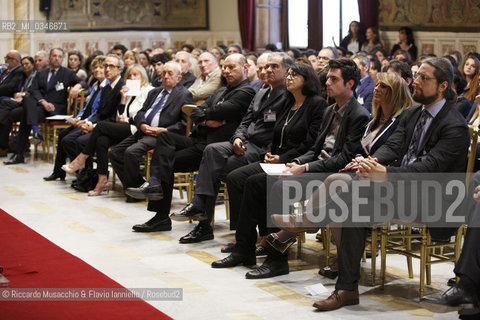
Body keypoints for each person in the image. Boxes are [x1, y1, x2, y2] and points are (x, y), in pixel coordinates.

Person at [273, 57, 469, 311]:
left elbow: (427, 169)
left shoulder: (455, 126)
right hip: (402, 189)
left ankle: (307, 223)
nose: (416, 82)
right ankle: (345, 287)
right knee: (351, 195)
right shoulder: (412, 114)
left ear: (443, 86)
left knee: (352, 196)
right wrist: (370, 162)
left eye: (424, 78)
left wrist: (385, 173)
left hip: (433, 199)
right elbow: (392, 146)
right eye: (417, 75)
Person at [267, 72, 414, 276]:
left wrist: (365, 162)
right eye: (377, 85)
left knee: (336, 182)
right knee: (337, 189)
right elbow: (361, 150)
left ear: (396, 92)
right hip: (362, 173)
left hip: (384, 178)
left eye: (384, 86)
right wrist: (358, 159)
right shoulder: (373, 120)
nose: (377, 89)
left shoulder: (399, 121)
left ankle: (300, 226)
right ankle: (339, 258)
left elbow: (392, 151)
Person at [210, 61, 332, 279]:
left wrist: (283, 159)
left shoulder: (317, 104)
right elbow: (274, 135)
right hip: (276, 160)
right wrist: (269, 153)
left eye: (295, 74)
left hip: (295, 162)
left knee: (258, 183)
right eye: (289, 74)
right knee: (236, 177)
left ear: (307, 79)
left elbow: (311, 143)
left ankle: (272, 252)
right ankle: (244, 248)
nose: (289, 77)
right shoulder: (288, 101)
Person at [169, 52, 291, 244]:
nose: (266, 70)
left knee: (217, 170)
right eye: (265, 67)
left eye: (273, 67)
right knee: (211, 152)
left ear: (287, 71)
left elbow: (279, 131)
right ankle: (203, 214)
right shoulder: (261, 91)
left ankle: (226, 229)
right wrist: (238, 137)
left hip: (264, 149)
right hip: (245, 142)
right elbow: (246, 121)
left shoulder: (286, 94)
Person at [125, 54, 255, 233]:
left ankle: (203, 226)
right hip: (198, 141)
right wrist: (207, 119)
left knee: (172, 162)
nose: (226, 71)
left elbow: (219, 110)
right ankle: (159, 208)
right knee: (165, 140)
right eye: (224, 67)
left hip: (217, 145)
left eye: (231, 67)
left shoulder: (246, 91)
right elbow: (194, 112)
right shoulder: (220, 91)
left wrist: (205, 115)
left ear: (245, 68)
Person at [62, 64, 154, 195]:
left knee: (101, 126)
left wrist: (126, 119)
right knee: (101, 140)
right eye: (130, 75)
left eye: (135, 75)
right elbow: (120, 115)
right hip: (124, 127)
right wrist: (123, 98)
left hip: (137, 128)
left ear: (142, 77)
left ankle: (81, 159)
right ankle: (102, 180)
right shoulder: (127, 91)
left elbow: (142, 115)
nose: (132, 78)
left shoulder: (148, 91)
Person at [108, 61, 193, 201]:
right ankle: (138, 186)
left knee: (131, 152)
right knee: (115, 153)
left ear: (178, 78)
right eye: (163, 73)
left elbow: (184, 123)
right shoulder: (155, 92)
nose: (165, 76)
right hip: (143, 130)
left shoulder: (184, 95)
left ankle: (135, 193)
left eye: (170, 73)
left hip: (160, 135)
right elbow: (141, 112)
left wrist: (164, 130)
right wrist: (141, 124)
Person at [43, 54, 124, 181]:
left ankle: (85, 174)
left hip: (102, 124)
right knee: (63, 134)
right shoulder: (97, 85)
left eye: (103, 67)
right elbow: (88, 108)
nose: (101, 70)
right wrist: (80, 118)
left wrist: (88, 123)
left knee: (70, 139)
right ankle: (63, 171)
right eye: (100, 67)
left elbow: (104, 113)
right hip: (93, 121)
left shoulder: (113, 87)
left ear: (119, 70)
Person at [5, 48, 83, 165]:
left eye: (59, 56)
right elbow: (33, 89)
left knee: (25, 114)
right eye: (54, 56)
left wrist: (77, 86)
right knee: (27, 98)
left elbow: (84, 83)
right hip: (41, 107)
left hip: (56, 108)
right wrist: (43, 102)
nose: (57, 58)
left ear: (62, 59)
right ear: (49, 58)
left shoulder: (68, 73)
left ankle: (20, 153)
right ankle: (34, 131)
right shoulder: (41, 73)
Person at [0, 56, 37, 156]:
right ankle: (3, 147)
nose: (24, 66)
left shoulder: (36, 76)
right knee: (7, 116)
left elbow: (35, 91)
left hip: (31, 104)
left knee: (4, 105)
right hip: (20, 102)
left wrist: (23, 95)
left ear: (32, 65)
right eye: (23, 64)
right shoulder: (25, 76)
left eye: (27, 64)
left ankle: (3, 147)